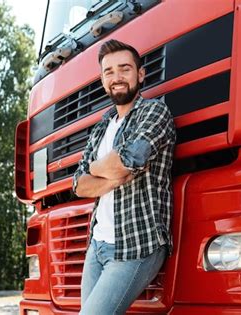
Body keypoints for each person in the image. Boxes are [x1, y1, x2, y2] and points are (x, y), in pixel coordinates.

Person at [72, 39, 176, 315]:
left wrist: (97, 169)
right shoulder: (102, 125)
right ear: (103, 81)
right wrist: (104, 173)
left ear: (140, 74)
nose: (116, 78)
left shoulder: (154, 112)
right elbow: (79, 185)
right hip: (96, 246)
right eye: (109, 72)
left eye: (124, 69)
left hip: (137, 244)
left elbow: (127, 162)